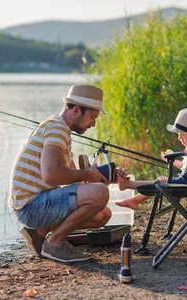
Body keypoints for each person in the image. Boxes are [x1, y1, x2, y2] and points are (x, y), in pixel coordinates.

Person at [9, 84, 125, 262]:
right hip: (31, 206)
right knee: (100, 194)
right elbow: (51, 174)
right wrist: (88, 177)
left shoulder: (60, 129)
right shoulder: (57, 129)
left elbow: (72, 184)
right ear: (77, 110)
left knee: (103, 215)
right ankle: (54, 243)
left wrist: (101, 179)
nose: (93, 124)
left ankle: (38, 233)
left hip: (33, 205)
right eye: (92, 117)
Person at [116, 107, 187, 210]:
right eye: (178, 134)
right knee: (162, 180)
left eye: (182, 134)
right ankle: (134, 199)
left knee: (161, 181)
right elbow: (185, 166)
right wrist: (172, 161)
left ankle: (129, 186)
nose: (179, 138)